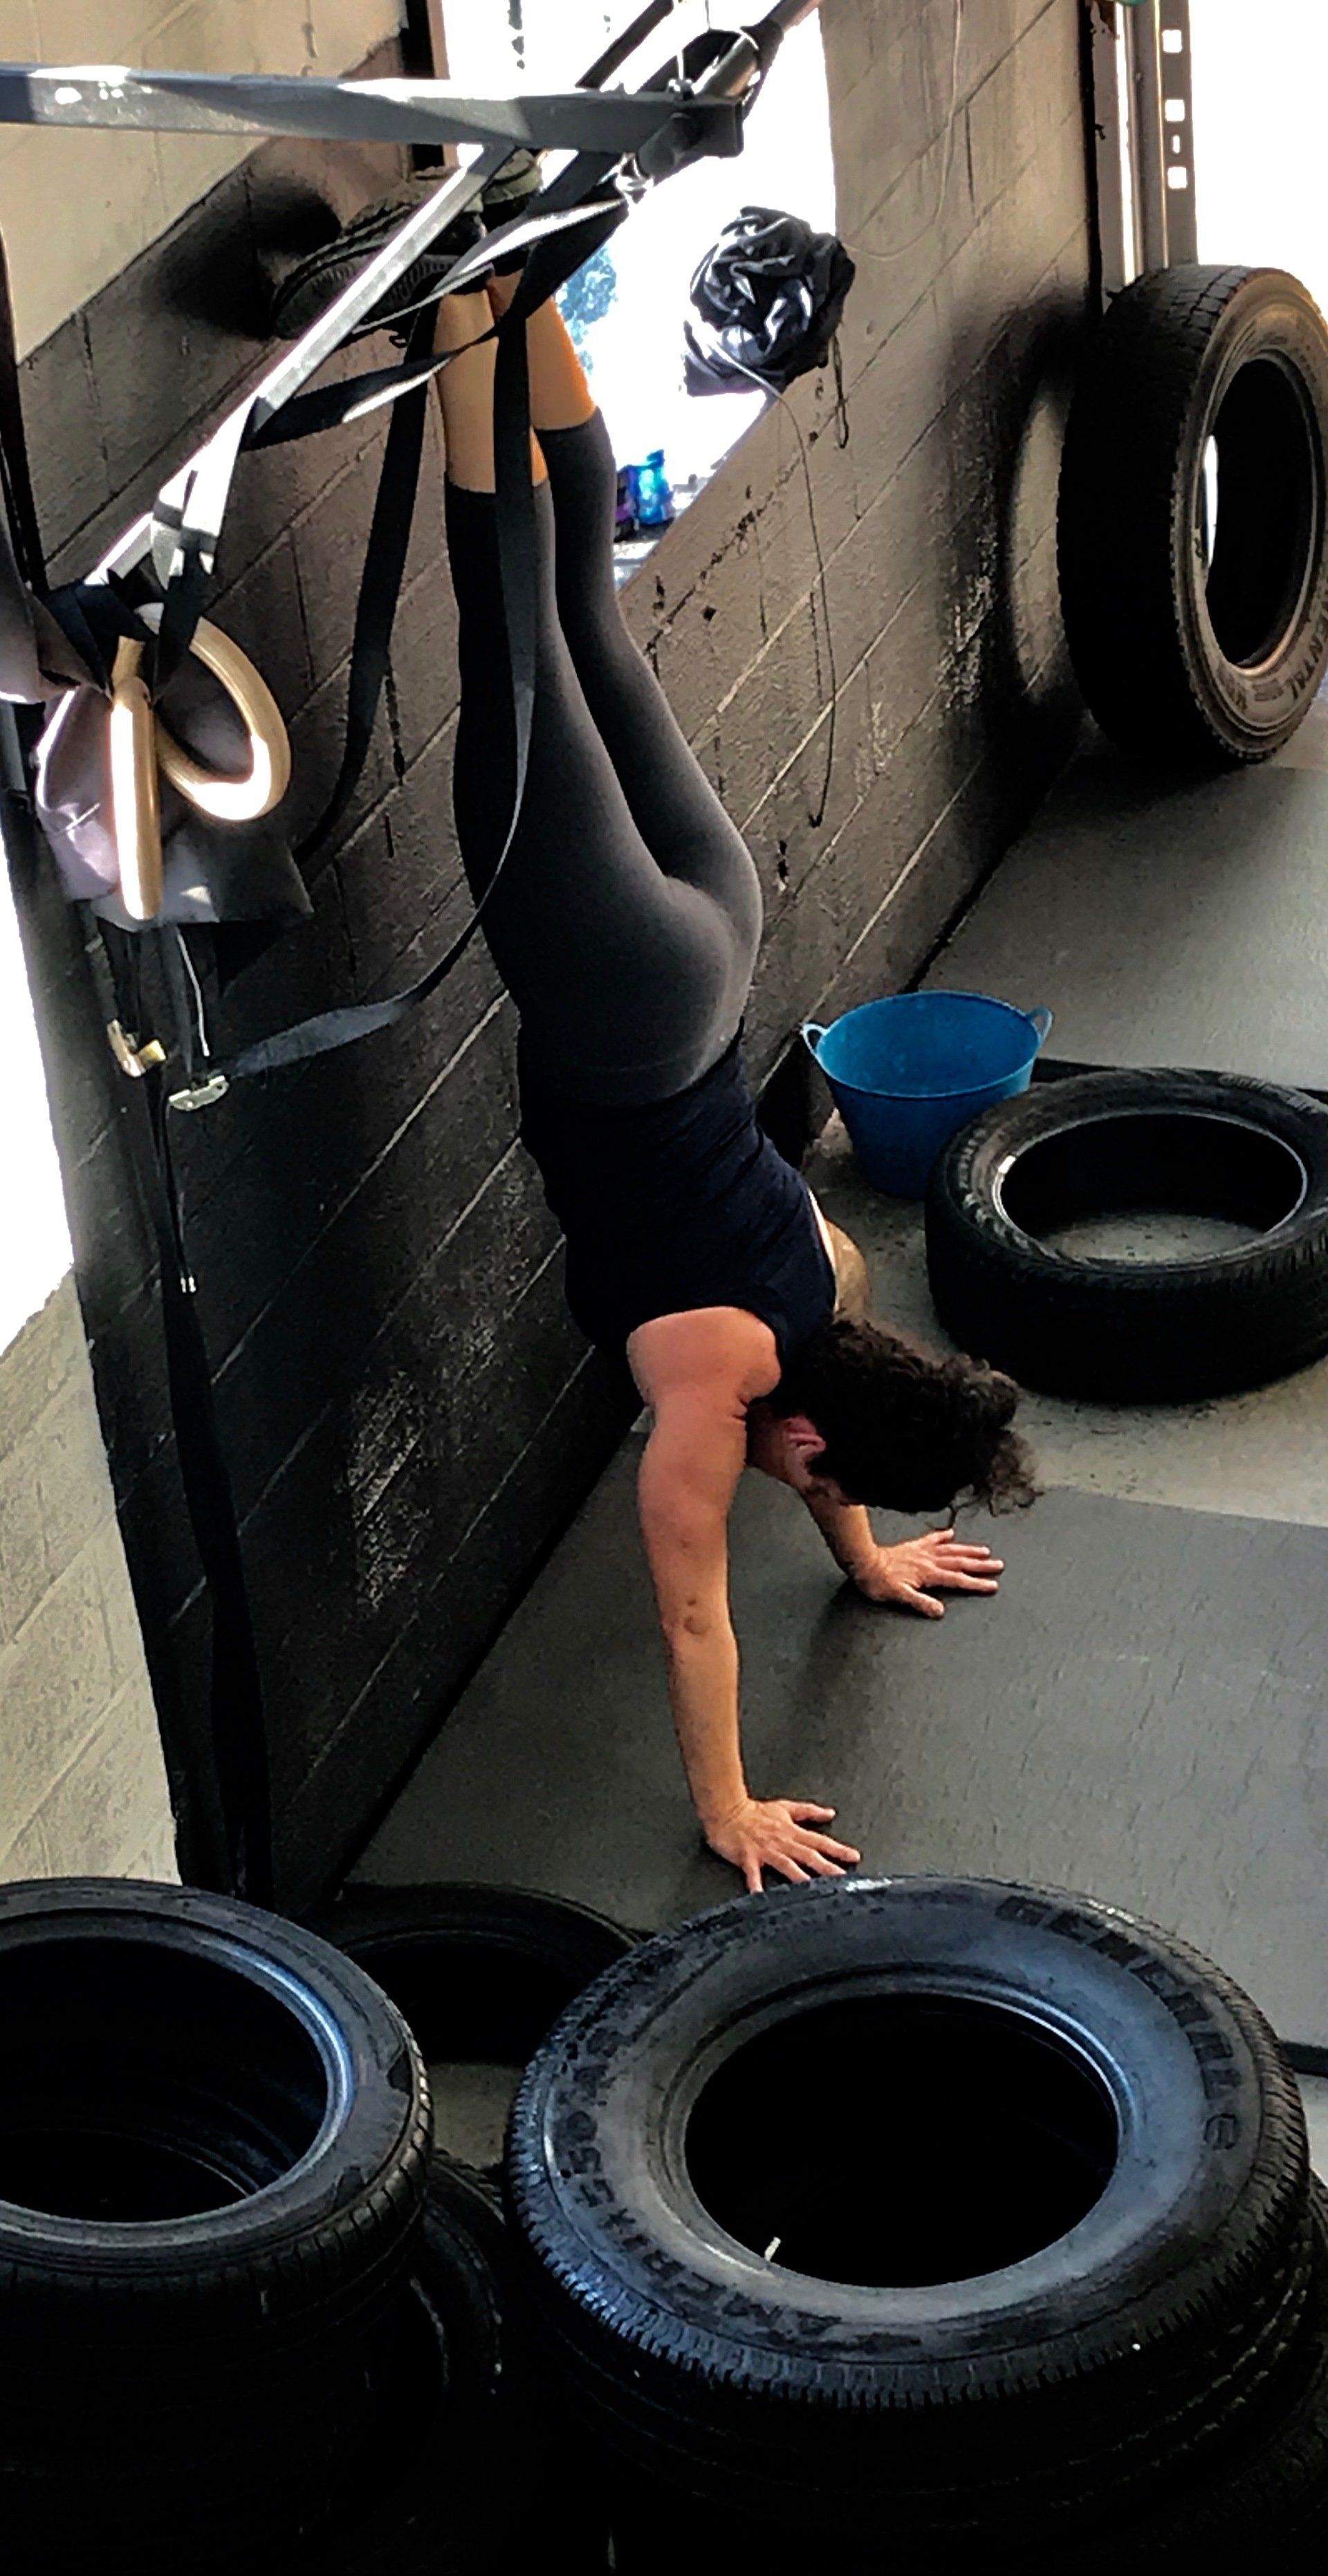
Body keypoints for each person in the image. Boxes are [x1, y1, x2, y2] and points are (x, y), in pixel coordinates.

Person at [428, 248, 1036, 1894]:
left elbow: (835, 1434)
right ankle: (463, 296)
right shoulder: (708, 1391)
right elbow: (692, 1609)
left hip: (716, 940)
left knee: (584, 607)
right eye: (825, 1495)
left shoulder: (828, 1279)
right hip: (618, 993)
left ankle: (526, 281)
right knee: (515, 642)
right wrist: (729, 1803)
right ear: (817, 1438)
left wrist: (873, 1556)